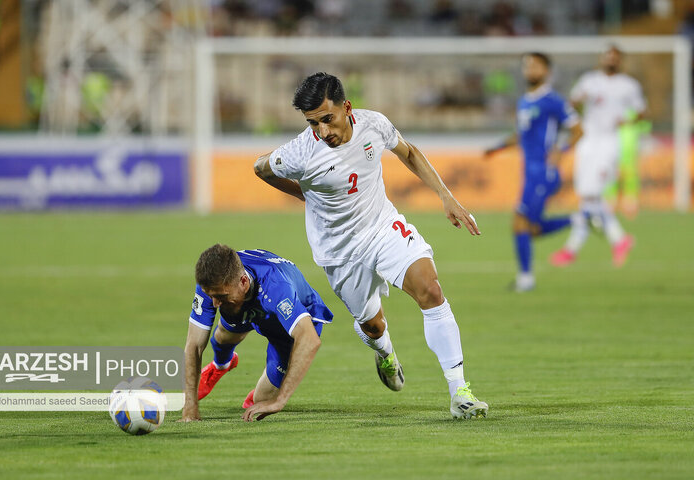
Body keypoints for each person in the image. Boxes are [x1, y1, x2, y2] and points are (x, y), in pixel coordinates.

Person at [253, 72, 487, 420]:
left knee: (431, 290)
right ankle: (385, 352)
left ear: (346, 107)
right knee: (373, 325)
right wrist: (306, 196)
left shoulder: (373, 124)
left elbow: (408, 152)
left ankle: (460, 392)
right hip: (340, 251)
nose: (323, 131)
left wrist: (445, 196)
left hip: (382, 227)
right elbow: (260, 168)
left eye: (327, 119)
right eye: (313, 123)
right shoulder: (302, 151)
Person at [179, 245, 333, 423]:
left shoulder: (277, 288)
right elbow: (194, 345)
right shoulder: (216, 282)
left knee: (262, 401)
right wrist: (190, 408)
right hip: (247, 304)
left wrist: (279, 401)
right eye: (211, 296)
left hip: (287, 328)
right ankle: (221, 365)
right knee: (222, 336)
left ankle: (265, 391)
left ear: (243, 282)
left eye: (220, 296)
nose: (214, 303)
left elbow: (310, 339)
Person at [484, 52, 583, 292]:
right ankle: (579, 219)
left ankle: (526, 279)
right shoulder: (524, 102)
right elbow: (522, 135)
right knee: (531, 228)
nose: (530, 70)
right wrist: (498, 147)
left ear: (546, 71)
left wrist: (561, 150)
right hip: (530, 172)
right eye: (527, 65)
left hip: (544, 172)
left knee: (520, 223)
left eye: (535, 66)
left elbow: (578, 129)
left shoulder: (553, 100)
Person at [550, 45, 644, 267]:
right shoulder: (589, 80)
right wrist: (579, 101)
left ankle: (572, 250)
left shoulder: (629, 85)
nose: (610, 59)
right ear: (602, 58)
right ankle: (619, 239)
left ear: (620, 60)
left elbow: (641, 112)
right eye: (607, 55)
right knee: (588, 197)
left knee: (591, 195)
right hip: (588, 142)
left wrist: (627, 122)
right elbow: (571, 105)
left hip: (609, 144)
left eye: (615, 56)